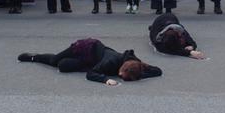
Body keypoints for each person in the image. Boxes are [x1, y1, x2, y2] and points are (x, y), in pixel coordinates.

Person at [18, 39, 161, 85]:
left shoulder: (134, 63)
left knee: (63, 66)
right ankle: (33, 57)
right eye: (122, 76)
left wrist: (142, 74)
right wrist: (106, 80)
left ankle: (66, 63)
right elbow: (91, 74)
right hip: (85, 48)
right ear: (120, 70)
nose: (120, 78)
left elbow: (157, 71)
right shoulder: (109, 62)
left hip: (91, 60)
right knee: (56, 60)